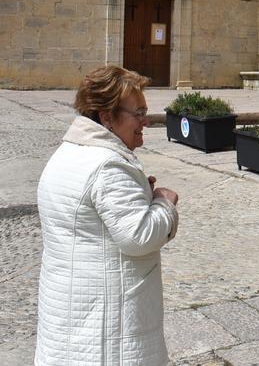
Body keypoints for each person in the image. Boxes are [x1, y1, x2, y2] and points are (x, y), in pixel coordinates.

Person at [35, 65, 180, 365]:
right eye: (137, 113)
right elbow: (138, 236)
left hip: (71, 311)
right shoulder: (107, 165)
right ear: (106, 118)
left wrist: (138, 195)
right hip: (107, 327)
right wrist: (164, 203)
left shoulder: (69, 152)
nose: (145, 122)